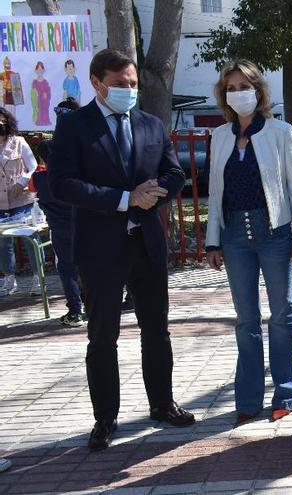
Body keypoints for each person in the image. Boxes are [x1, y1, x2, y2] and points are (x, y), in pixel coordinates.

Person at [49, 49, 194, 451]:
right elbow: (62, 184)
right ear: (97, 82)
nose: (129, 90)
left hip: (146, 243)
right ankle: (105, 417)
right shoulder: (75, 126)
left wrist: (152, 195)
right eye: (120, 84)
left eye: (132, 84)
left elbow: (175, 172)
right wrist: (124, 198)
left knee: (156, 331)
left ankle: (162, 404)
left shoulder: (150, 123)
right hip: (99, 248)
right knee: (102, 337)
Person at [205, 59, 292, 425]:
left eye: (244, 86)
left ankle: (286, 391)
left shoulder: (280, 132)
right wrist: (213, 241)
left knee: (283, 314)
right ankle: (248, 397)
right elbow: (214, 191)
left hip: (274, 232)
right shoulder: (219, 136)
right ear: (224, 95)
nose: (238, 93)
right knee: (245, 319)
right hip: (234, 234)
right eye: (231, 88)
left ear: (259, 90)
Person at [33, 106, 86, 327]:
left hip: (60, 228)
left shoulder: (41, 179)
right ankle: (92, 305)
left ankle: (75, 310)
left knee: (66, 268)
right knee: (89, 265)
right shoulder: (77, 173)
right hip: (83, 223)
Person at [0, 107, 42, 297]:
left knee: (29, 239)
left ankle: (37, 278)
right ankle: (9, 279)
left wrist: (22, 181)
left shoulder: (19, 142)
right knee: (2, 242)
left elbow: (33, 166)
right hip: (1, 202)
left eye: (2, 123)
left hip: (22, 199)